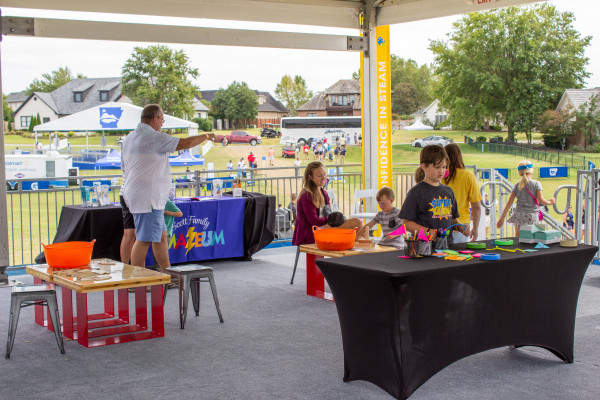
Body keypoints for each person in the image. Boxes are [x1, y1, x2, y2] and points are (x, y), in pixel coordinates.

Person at [121, 104, 216, 271]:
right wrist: (207, 136)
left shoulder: (129, 138)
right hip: (147, 197)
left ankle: (167, 274)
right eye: (162, 121)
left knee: (161, 236)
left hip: (139, 194)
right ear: (155, 119)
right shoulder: (154, 137)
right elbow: (186, 143)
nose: (162, 125)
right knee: (143, 239)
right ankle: (137, 280)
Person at [292, 161, 366, 246]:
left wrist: (336, 218)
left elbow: (327, 213)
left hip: (325, 226)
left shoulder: (323, 193)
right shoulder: (307, 195)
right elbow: (314, 221)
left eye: (324, 174)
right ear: (311, 177)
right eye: (320, 176)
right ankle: (359, 249)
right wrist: (332, 218)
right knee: (356, 223)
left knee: (358, 223)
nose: (323, 177)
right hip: (314, 231)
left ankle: (358, 248)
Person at [399, 145, 464, 242]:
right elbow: (406, 223)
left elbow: (452, 219)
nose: (441, 171)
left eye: (444, 167)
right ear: (424, 166)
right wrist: (428, 232)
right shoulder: (415, 193)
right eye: (437, 167)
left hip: (447, 247)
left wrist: (460, 227)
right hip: (423, 249)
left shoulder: (448, 191)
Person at [497, 160, 556, 237]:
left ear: (519, 173)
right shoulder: (536, 184)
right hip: (532, 215)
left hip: (518, 214)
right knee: (533, 238)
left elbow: (509, 202)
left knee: (518, 239)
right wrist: (550, 202)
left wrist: (502, 218)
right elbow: (541, 200)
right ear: (532, 171)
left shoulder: (517, 185)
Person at [443, 143, 482, 242]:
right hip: (462, 225)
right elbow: (476, 205)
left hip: (441, 223)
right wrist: (475, 228)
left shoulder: (440, 175)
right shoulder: (469, 176)